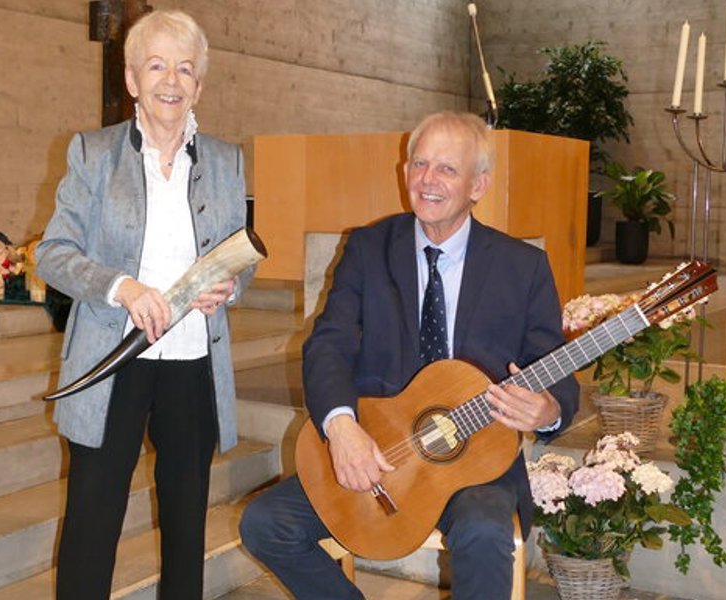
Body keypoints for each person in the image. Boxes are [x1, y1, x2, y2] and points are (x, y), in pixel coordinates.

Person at [239, 111, 579, 599]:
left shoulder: (521, 267)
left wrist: (548, 409)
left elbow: (555, 364)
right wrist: (341, 428)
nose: (428, 180)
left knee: (485, 532)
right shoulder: (369, 247)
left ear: (478, 185)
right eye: (419, 164)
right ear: (404, 173)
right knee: (265, 524)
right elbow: (329, 341)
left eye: (446, 169)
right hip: (380, 452)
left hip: (475, 464)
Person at [36, 10, 251, 599]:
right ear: (131, 79)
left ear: (199, 85)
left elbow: (241, 255)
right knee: (92, 521)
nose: (171, 81)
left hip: (192, 365)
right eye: (157, 65)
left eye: (185, 69)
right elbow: (52, 252)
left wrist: (230, 287)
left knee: (187, 525)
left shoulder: (227, 161)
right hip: (112, 360)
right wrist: (121, 287)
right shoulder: (93, 153)